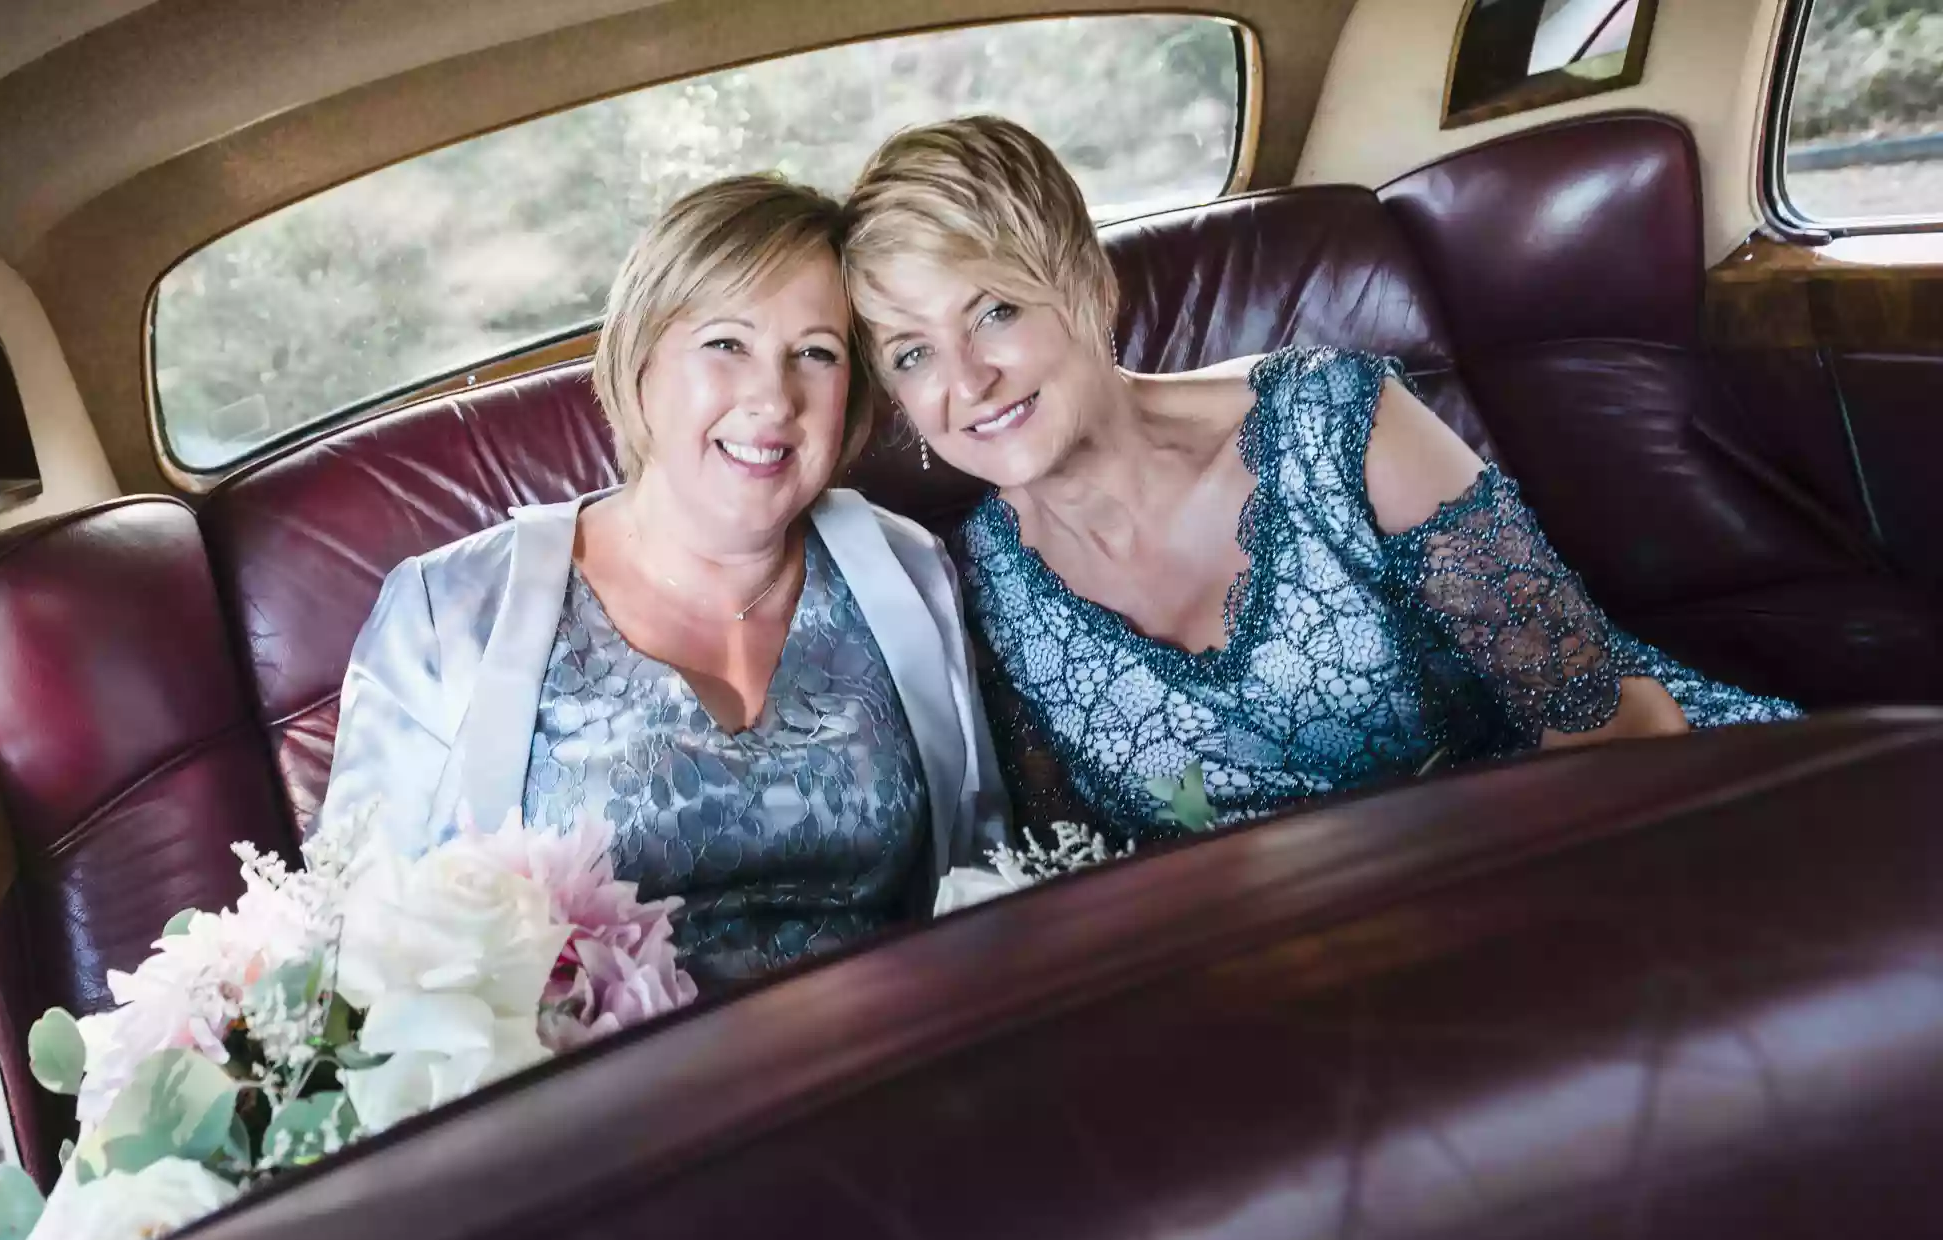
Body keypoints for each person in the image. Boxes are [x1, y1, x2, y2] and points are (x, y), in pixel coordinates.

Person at [841, 116, 1800, 841]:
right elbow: (1080, 874)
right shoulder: (979, 596)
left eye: (996, 310)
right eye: (912, 354)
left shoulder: (1337, 423)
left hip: (1595, 845)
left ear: (1091, 286)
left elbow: (1615, 730)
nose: (966, 380)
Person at [321, 175, 1007, 986]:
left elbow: (984, 876)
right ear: (640, 362)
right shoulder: (447, 614)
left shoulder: (909, 567)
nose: (772, 397)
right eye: (726, 343)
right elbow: (350, 956)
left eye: (815, 355)